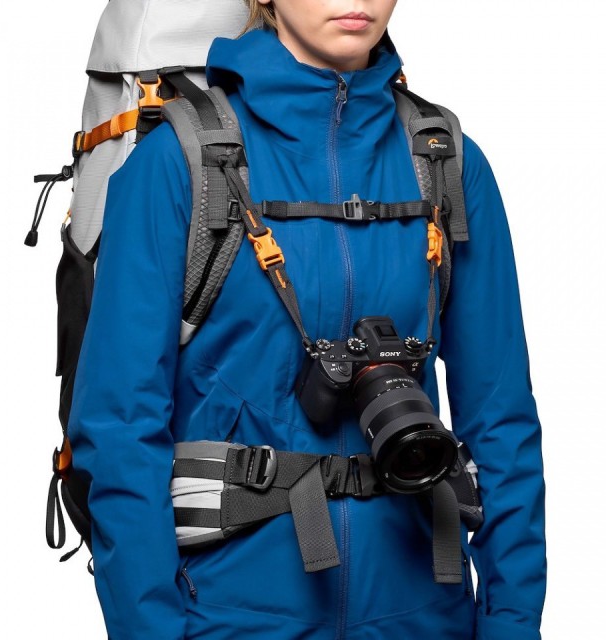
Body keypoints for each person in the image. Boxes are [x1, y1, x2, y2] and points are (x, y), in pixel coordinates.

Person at [68, 1, 546, 638]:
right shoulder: (178, 164)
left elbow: (502, 421)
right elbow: (120, 430)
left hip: (425, 616)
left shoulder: (445, 163)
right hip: (229, 620)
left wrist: (512, 624)